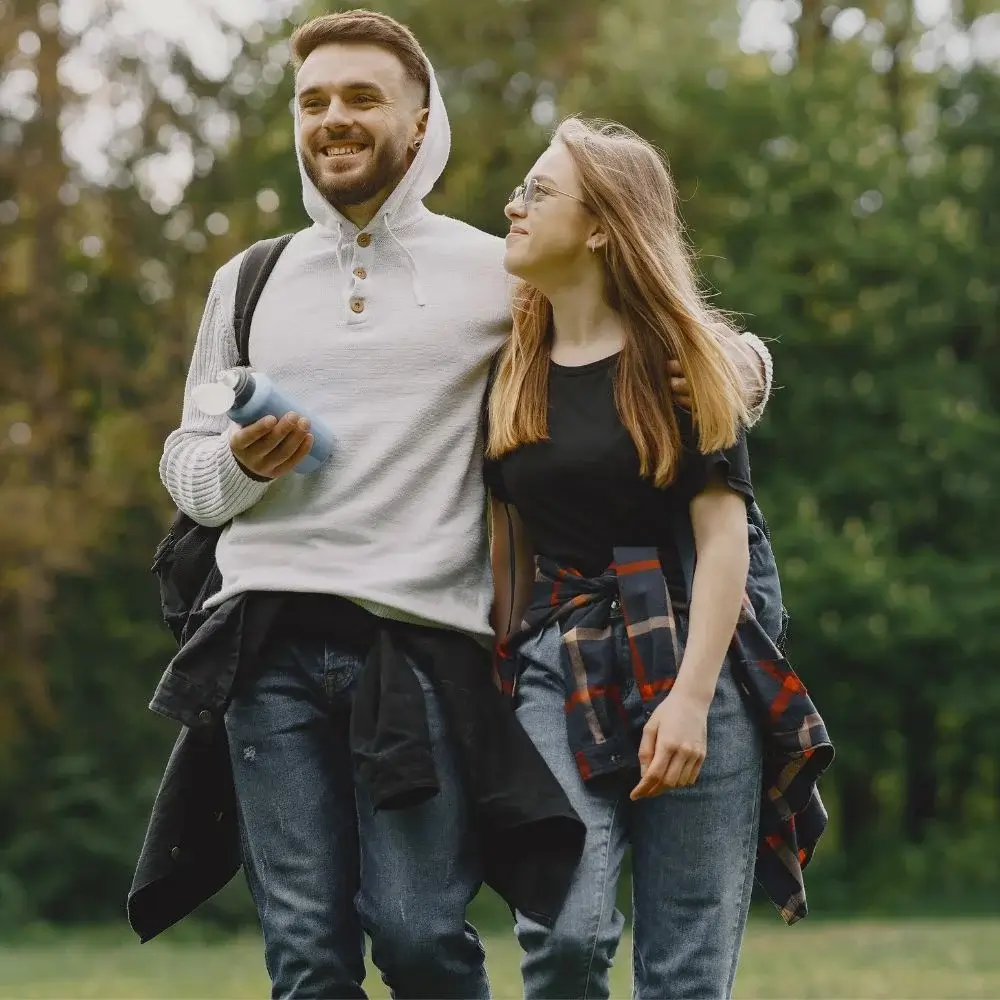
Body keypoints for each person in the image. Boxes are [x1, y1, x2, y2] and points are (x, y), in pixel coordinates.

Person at [130, 10, 776, 999]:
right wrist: (245, 468)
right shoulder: (249, 279)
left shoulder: (494, 272)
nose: (331, 118)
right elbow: (187, 468)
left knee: (421, 933)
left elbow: (618, 333)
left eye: (359, 97)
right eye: (311, 101)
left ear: (420, 116)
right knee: (305, 952)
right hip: (263, 638)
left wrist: (738, 362)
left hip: (420, 643)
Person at [486, 118, 833, 1000]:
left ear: (601, 225)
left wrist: (687, 703)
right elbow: (508, 549)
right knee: (564, 935)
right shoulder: (509, 360)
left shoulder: (679, 367)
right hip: (555, 661)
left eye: (538, 191)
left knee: (686, 974)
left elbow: (723, 546)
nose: (513, 205)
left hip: (697, 668)